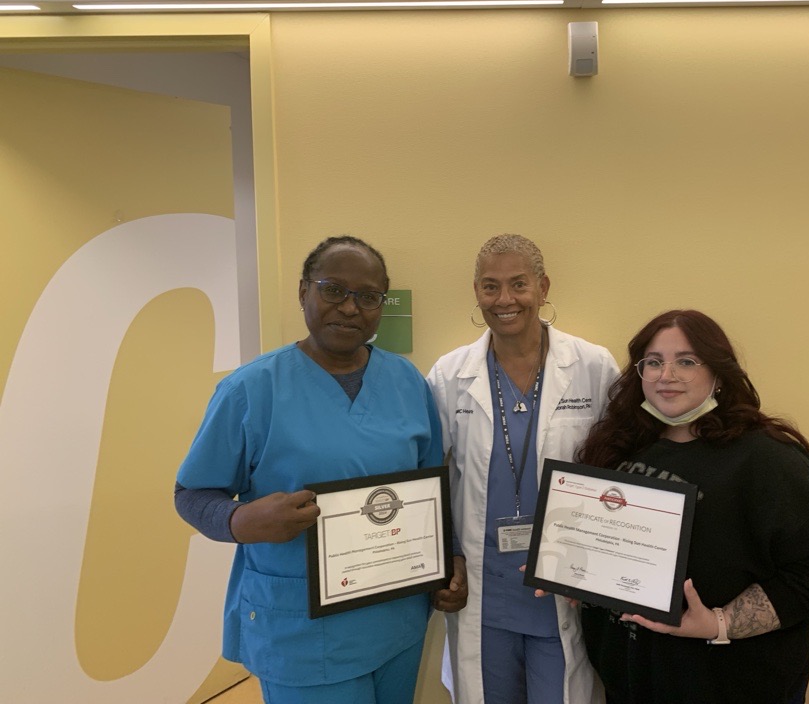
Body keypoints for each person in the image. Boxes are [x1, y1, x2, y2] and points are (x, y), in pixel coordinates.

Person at [175, 235, 467, 704]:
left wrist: (449, 561)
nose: (351, 308)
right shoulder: (251, 389)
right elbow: (190, 493)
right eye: (333, 290)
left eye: (368, 297)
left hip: (396, 620)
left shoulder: (406, 381)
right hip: (302, 630)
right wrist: (238, 521)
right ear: (303, 292)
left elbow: (432, 487)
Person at [575, 309, 809, 704]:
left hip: (732, 685)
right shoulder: (622, 445)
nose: (666, 375)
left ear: (719, 374)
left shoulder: (767, 459)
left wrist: (718, 623)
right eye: (653, 362)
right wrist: (577, 573)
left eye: (686, 361)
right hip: (632, 681)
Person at [427, 234, 619, 704]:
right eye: (490, 287)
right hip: (485, 586)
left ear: (543, 286)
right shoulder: (450, 376)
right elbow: (430, 475)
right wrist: (447, 556)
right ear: (476, 292)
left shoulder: (593, 366)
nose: (505, 300)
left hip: (563, 586)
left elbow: (618, 469)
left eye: (519, 284)